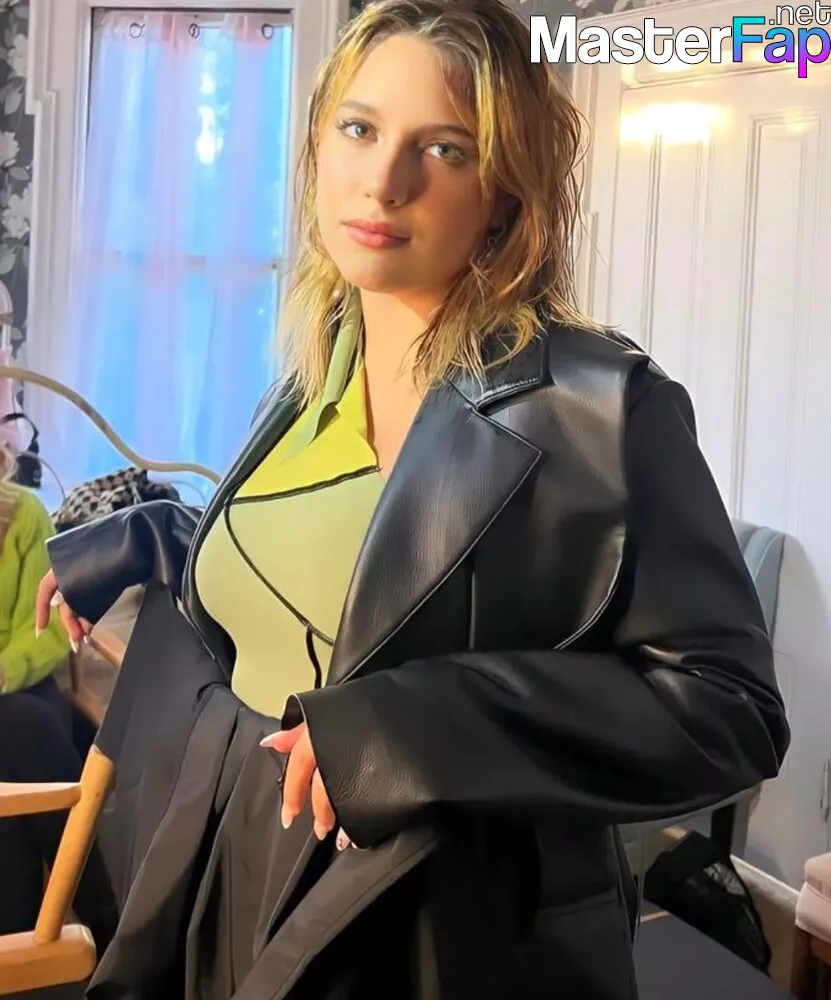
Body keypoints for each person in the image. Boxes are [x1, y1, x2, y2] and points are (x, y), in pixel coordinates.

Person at [36, 1, 790, 996]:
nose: (384, 181)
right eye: (360, 128)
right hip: (235, 864)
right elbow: (321, 573)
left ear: (504, 194)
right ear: (317, 144)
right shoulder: (314, 368)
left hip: (430, 933)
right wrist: (146, 545)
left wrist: (414, 726)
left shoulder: (600, 407)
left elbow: (729, 709)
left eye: (444, 149)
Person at [0, 445, 116, 945]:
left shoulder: (24, 513)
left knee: (26, 725)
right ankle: (103, 918)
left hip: (21, 688)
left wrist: (4, 671)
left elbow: (46, 628)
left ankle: (24, 946)